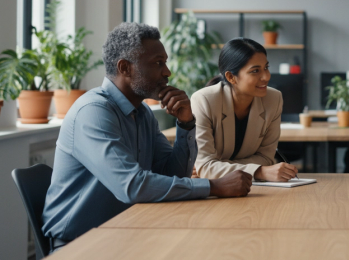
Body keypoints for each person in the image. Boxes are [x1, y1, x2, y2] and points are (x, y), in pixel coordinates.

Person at [42, 23, 252, 253]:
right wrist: (214, 186)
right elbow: (132, 186)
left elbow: (173, 174)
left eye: (165, 62)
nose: (167, 72)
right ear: (125, 68)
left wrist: (185, 123)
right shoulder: (93, 112)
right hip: (80, 244)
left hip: (126, 230)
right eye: (157, 63)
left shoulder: (142, 113)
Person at [192, 38, 298, 181]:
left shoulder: (273, 99)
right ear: (231, 77)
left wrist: (217, 167)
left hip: (253, 189)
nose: (266, 77)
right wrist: (259, 172)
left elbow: (266, 158)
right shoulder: (204, 100)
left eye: (266, 67)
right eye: (255, 71)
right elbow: (206, 167)